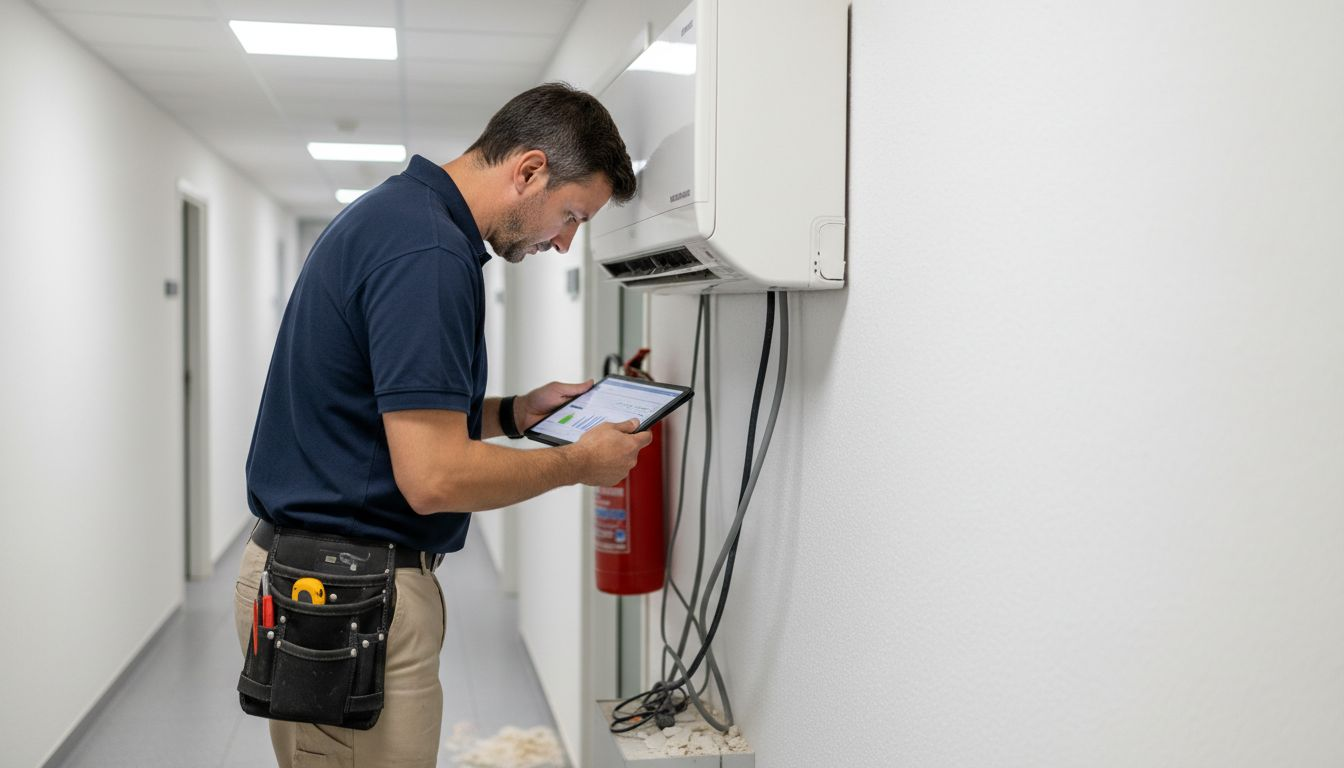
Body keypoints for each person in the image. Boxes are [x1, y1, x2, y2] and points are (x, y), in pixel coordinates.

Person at [233, 82, 649, 768]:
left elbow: (387, 412)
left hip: (339, 577)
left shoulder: (404, 218)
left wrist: (515, 413)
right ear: (529, 170)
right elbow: (432, 477)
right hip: (344, 590)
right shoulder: (427, 255)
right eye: (571, 215)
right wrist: (578, 464)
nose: (566, 243)